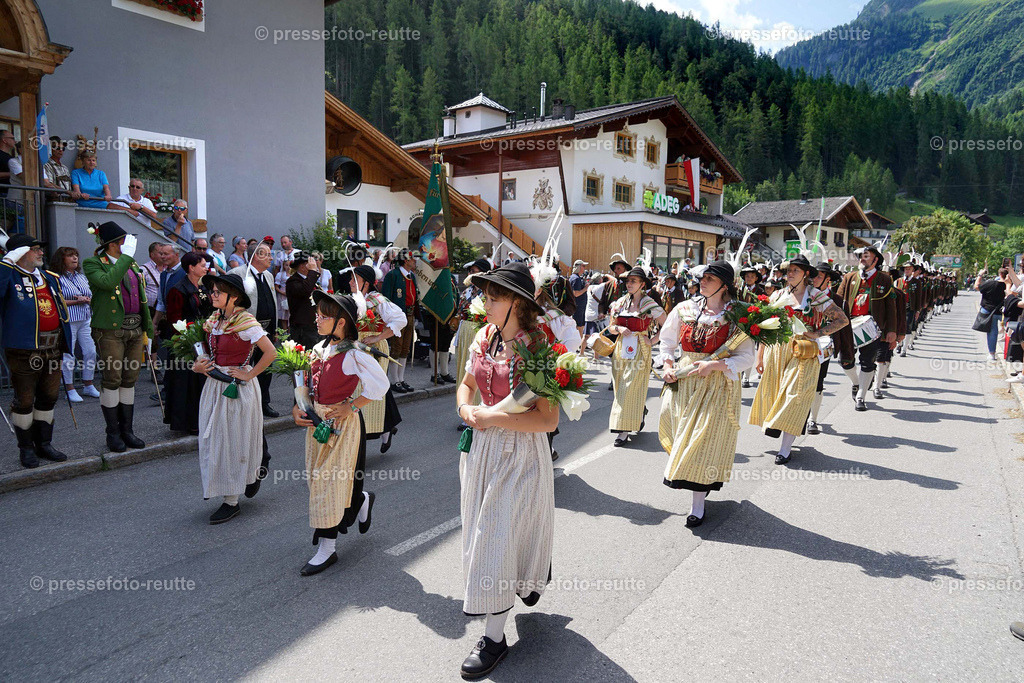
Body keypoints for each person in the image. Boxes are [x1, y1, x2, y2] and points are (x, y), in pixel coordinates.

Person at [455, 262, 559, 679]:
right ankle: (527, 567)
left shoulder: (538, 346)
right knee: (483, 532)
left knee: (493, 536)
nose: (486, 302)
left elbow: (548, 421)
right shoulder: (483, 336)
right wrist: (465, 408)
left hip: (520, 452)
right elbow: (466, 385)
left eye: (494, 296)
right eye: (486, 295)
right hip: (482, 449)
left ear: (517, 302)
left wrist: (494, 418)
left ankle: (493, 638)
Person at [291, 290, 388, 574]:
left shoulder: (354, 353)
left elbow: (380, 386)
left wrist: (352, 406)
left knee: (327, 485)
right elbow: (308, 386)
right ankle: (360, 499)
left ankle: (327, 549)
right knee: (316, 480)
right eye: (318, 314)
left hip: (341, 425)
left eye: (324, 315)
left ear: (341, 323)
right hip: (316, 420)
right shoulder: (319, 348)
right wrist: (297, 409)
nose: (317, 319)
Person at [658, 261, 754, 527]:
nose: (703, 281)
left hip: (717, 383)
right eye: (703, 277)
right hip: (685, 379)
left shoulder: (739, 315)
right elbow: (667, 341)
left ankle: (697, 505)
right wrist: (667, 364)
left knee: (700, 440)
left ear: (724, 285)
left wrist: (715, 365)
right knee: (676, 432)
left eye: (710, 278)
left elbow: (747, 356)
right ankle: (695, 477)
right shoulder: (685, 308)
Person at [192, 272, 277, 524]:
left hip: (236, 386)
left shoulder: (246, 322)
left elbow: (270, 352)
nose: (212, 295)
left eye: (218, 292)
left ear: (234, 296)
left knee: (232, 439)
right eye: (212, 291)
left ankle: (231, 500)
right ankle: (244, 476)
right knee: (215, 438)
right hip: (213, 385)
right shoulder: (215, 319)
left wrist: (250, 373)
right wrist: (198, 365)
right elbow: (205, 353)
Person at [749, 256, 849, 464]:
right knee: (777, 393)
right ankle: (780, 431)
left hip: (803, 351)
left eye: (795, 270)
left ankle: (785, 449)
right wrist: (759, 356)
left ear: (806, 274)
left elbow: (842, 319)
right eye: (788, 270)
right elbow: (766, 327)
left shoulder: (816, 296)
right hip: (777, 349)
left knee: (795, 396)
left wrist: (818, 333)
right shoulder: (778, 295)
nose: (790, 274)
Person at [0, 234, 72, 468]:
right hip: (24, 349)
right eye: (34, 249)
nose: (41, 252)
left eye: (40, 249)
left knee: (49, 397)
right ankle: (26, 448)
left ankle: (44, 444)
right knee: (25, 401)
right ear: (19, 254)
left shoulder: (50, 277)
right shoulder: (9, 276)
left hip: (52, 347)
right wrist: (7, 262)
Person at [83, 222, 154, 453]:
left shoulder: (131, 262)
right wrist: (127, 258)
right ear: (113, 244)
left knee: (129, 379)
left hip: (134, 329)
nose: (129, 245)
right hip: (110, 331)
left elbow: (140, 295)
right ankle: (112, 433)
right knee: (112, 379)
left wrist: (147, 328)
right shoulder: (93, 263)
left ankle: (127, 430)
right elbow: (108, 282)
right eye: (125, 240)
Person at [606, 264, 667, 446]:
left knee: (630, 387)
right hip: (620, 348)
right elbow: (610, 326)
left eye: (633, 281)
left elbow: (667, 325)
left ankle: (622, 430)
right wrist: (618, 328)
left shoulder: (649, 304)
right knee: (620, 386)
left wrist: (653, 340)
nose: (629, 284)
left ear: (642, 284)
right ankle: (638, 413)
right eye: (628, 281)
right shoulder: (620, 303)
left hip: (640, 348)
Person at [836, 246, 899, 411]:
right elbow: (838, 301)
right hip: (848, 326)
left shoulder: (885, 279)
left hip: (872, 327)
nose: (862, 259)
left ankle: (860, 397)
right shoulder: (849, 277)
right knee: (845, 361)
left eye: (866, 256)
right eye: (860, 256)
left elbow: (891, 306)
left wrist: (891, 330)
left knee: (867, 362)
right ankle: (857, 383)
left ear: (875, 259)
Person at [350, 264, 405, 453]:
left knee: (375, 389)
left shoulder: (377, 299)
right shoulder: (353, 299)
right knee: (362, 391)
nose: (350, 282)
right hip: (355, 349)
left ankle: (383, 430)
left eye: (354, 279)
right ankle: (374, 431)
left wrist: (378, 337)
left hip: (373, 349)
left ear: (365, 283)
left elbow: (400, 319)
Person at [163, 252, 213, 435]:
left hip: (202, 339)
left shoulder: (204, 286)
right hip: (185, 343)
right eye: (202, 265)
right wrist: (190, 336)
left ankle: (203, 418)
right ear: (191, 268)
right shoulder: (178, 289)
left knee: (202, 383)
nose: (206, 268)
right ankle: (189, 422)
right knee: (187, 384)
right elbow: (175, 321)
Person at [230, 239, 280, 419]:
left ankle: (263, 403)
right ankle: (241, 403)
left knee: (265, 368)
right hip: (246, 332)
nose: (271, 259)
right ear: (257, 256)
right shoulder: (237, 274)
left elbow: (273, 302)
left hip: (265, 332)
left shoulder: (268, 275)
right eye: (267, 255)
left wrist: (274, 330)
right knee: (244, 366)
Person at [806, 261, 854, 434]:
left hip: (823, 346)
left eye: (819, 276)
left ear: (829, 280)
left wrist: (848, 355)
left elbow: (846, 330)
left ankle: (813, 419)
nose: (814, 279)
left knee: (818, 383)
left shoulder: (839, 301)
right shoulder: (804, 294)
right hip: (801, 346)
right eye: (813, 275)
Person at [51, 247, 99, 403]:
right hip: (68, 320)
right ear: (61, 259)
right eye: (70, 256)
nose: (75, 258)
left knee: (90, 351)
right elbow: (55, 301)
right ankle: (69, 388)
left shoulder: (80, 276)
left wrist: (87, 300)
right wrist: (76, 301)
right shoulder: (56, 278)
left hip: (85, 318)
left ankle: (88, 384)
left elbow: (91, 295)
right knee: (68, 354)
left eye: (76, 255)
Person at [380, 250, 418, 393]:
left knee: (405, 348)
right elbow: (386, 297)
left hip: (410, 315)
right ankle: (393, 380)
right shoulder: (393, 275)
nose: (414, 261)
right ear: (405, 260)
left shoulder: (411, 276)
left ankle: (401, 379)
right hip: (397, 317)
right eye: (412, 258)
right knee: (396, 347)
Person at [285, 251, 321, 348]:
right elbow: (305, 290)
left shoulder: (308, 280)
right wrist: (313, 272)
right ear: (302, 266)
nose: (314, 265)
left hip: (312, 326)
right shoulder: (293, 281)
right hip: (302, 328)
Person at [975, 267, 1008, 362]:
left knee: (992, 332)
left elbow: (977, 286)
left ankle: (992, 354)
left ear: (1000, 274)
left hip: (989, 310)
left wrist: (980, 275)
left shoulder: (991, 283)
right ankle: (1009, 354)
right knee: (1010, 332)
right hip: (1004, 311)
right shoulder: (1010, 285)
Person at [569, 259, 589, 343]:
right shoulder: (576, 278)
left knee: (580, 325)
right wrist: (585, 288)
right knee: (579, 326)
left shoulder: (576, 277)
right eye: (583, 266)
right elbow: (575, 293)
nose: (584, 268)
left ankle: (580, 343)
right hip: (578, 306)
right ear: (579, 267)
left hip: (578, 306)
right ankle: (580, 344)